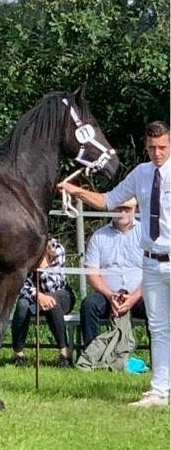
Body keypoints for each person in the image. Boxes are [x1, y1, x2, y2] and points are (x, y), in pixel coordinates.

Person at [58, 120, 170, 407]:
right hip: (150, 260)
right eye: (152, 148)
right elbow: (108, 201)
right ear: (145, 146)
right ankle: (159, 389)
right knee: (158, 327)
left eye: (163, 148)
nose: (157, 153)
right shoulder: (141, 174)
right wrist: (76, 191)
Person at [81, 197, 147, 348]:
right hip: (107, 295)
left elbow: (153, 271)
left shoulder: (146, 234)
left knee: (158, 306)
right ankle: (91, 355)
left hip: (140, 295)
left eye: (127, 209)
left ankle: (160, 359)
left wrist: (134, 297)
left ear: (136, 210)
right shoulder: (99, 236)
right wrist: (110, 296)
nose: (122, 213)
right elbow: (91, 273)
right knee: (89, 305)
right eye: (118, 208)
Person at [11, 236, 75, 368]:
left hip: (61, 293)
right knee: (22, 305)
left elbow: (56, 285)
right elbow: (21, 286)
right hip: (34, 294)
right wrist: (38, 295)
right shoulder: (25, 252)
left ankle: (64, 353)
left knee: (52, 301)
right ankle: (18, 355)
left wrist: (43, 268)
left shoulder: (57, 249)